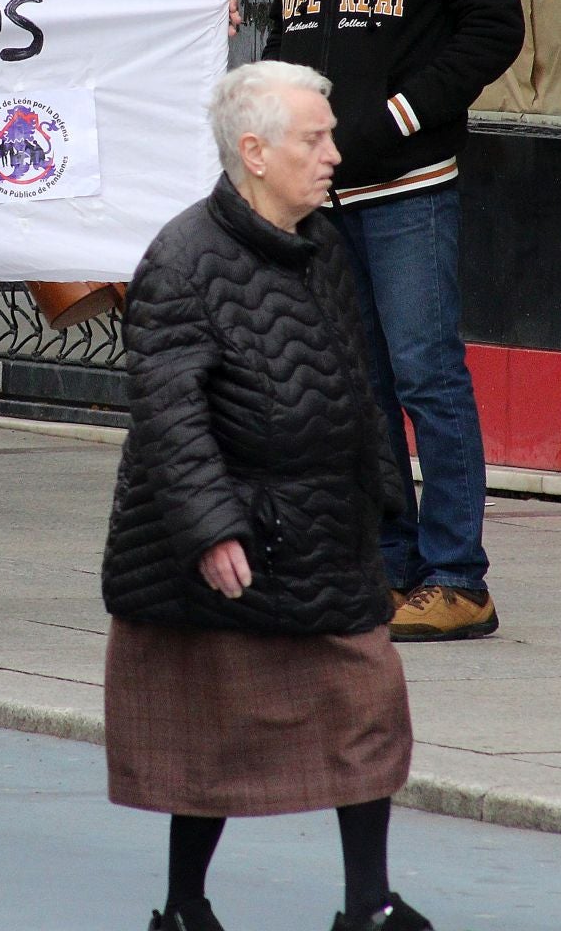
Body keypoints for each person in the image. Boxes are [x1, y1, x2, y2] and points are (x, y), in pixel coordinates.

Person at [102, 61, 427, 931]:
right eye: (314, 138)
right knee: (209, 734)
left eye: (329, 135)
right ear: (255, 152)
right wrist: (212, 529)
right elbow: (168, 413)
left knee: (367, 707)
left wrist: (386, 497)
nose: (333, 153)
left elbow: (353, 381)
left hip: (326, 526)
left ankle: (370, 906)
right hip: (236, 534)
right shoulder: (180, 261)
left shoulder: (319, 244)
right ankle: (182, 908)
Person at [264, 0, 523, 642]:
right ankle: (386, 566)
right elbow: (285, 44)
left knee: (426, 378)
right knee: (360, 388)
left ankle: (459, 575)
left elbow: (495, 27)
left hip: (413, 185)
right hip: (326, 197)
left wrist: (403, 117)